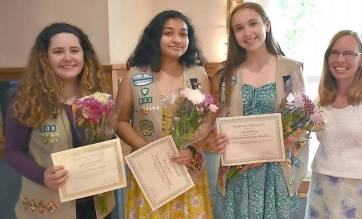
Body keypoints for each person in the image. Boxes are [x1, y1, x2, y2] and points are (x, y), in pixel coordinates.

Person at [209, 2, 308, 218]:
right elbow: (217, 123)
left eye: (253, 24)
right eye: (239, 28)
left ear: (267, 25)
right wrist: (216, 140)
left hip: (275, 173)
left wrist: (266, 153)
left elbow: (301, 125)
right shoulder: (225, 75)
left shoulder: (290, 69)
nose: (247, 32)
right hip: (237, 172)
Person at [5, 22, 113, 219]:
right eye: (58, 51)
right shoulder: (25, 99)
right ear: (44, 58)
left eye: (74, 50)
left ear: (84, 55)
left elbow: (106, 140)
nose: (68, 58)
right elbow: (13, 150)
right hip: (49, 207)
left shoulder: (98, 97)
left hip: (96, 207)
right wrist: (41, 175)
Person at [116, 10, 214, 218]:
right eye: (168, 33)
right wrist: (148, 151)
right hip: (149, 170)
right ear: (154, 37)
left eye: (183, 34)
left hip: (188, 168)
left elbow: (209, 118)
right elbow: (121, 121)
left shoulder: (198, 74)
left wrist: (193, 148)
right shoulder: (135, 75)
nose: (177, 40)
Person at [305, 30, 362, 219]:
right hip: (321, 188)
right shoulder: (320, 100)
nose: (340, 59)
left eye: (349, 53)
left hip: (361, 194)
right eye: (335, 52)